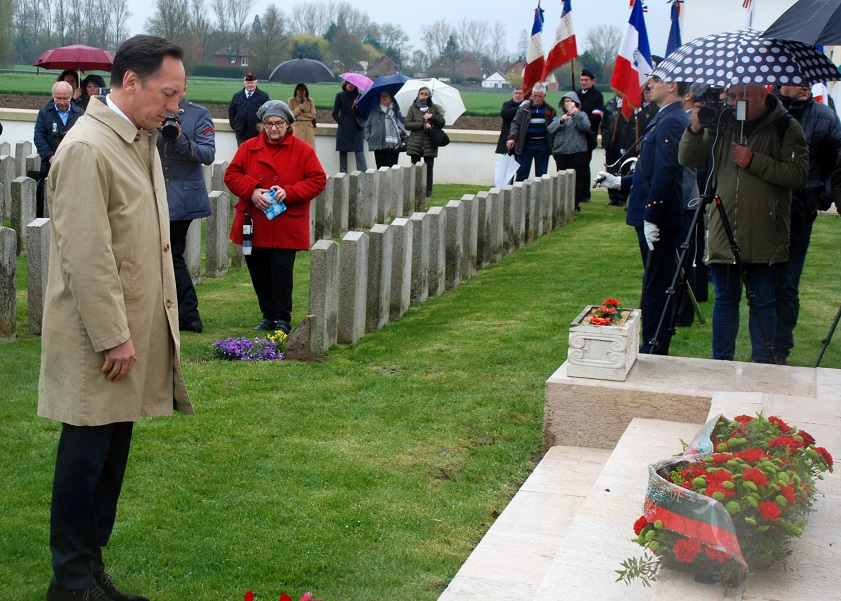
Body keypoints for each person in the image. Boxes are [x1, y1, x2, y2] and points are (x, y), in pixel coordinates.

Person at [39, 35, 194, 601]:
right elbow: (87, 255)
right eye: (168, 92)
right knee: (83, 465)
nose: (174, 104)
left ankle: (89, 574)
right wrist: (113, 338)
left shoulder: (139, 140)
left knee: (108, 467)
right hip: (99, 344)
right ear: (131, 82)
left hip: (128, 339)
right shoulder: (88, 147)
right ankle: (71, 583)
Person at [679, 84, 808, 363]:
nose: (737, 101)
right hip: (724, 226)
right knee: (725, 300)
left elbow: (798, 174)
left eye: (744, 96)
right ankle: (721, 363)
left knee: (762, 301)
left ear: (763, 94)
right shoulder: (722, 123)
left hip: (765, 228)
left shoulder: (786, 126)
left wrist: (754, 161)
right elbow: (689, 159)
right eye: (733, 96)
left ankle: (762, 364)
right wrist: (696, 129)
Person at [596, 77, 690, 355]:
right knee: (654, 280)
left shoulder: (672, 120)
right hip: (651, 209)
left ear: (672, 86)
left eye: (657, 81)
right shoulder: (664, 116)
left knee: (657, 283)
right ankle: (652, 340)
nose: (648, 86)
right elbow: (649, 169)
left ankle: (655, 344)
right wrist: (620, 182)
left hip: (658, 216)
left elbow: (666, 172)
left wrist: (652, 214)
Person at [225, 101, 327, 334]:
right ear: (262, 125)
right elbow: (231, 175)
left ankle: (283, 317)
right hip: (256, 219)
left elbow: (318, 180)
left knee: (281, 270)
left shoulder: (302, 150)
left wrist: (289, 192)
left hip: (285, 221)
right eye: (268, 124)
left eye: (279, 123)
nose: (273, 128)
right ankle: (268, 315)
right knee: (258, 270)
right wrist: (251, 191)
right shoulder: (249, 147)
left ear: (288, 124)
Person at [772, 84, 841, 364]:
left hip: (803, 207)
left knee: (788, 281)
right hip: (767, 206)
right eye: (794, 78)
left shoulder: (825, 116)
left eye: (805, 80)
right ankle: (763, 343)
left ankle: (780, 348)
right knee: (763, 281)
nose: (802, 84)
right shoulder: (768, 112)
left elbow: (835, 163)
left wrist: (821, 197)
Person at [157, 83, 216, 334]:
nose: (172, 96)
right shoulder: (153, 111)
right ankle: (177, 311)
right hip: (157, 194)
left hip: (183, 198)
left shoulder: (197, 114)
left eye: (176, 90)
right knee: (166, 254)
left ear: (185, 88)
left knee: (172, 252)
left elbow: (208, 153)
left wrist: (180, 138)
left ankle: (189, 313)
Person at [32, 81, 83, 217]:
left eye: (65, 98)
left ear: (71, 97)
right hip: (50, 164)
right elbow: (39, 137)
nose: (61, 102)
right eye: (58, 98)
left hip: (73, 164)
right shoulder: (44, 113)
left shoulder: (80, 114)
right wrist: (50, 156)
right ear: (53, 97)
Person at [547, 91, 590, 212]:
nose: (569, 103)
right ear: (563, 104)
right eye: (567, 101)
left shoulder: (582, 115)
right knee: (562, 179)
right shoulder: (558, 117)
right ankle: (561, 202)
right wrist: (562, 120)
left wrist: (576, 115)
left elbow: (585, 126)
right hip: (561, 152)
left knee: (576, 179)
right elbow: (551, 129)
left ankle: (575, 204)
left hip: (578, 151)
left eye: (571, 101)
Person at [506, 82, 556, 181]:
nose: (537, 98)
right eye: (535, 96)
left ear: (544, 96)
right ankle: (519, 195)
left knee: (541, 176)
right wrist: (512, 138)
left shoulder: (550, 110)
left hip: (542, 145)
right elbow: (516, 123)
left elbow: (554, 127)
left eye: (539, 96)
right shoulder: (524, 109)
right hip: (526, 145)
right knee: (522, 174)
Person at [404, 86, 446, 197]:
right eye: (421, 93)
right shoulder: (413, 108)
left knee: (429, 169)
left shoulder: (434, 108)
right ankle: (414, 191)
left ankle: (428, 192)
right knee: (414, 169)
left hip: (429, 143)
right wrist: (422, 124)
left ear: (429, 96)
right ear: (418, 95)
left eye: (426, 94)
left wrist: (432, 117)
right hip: (416, 143)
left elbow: (442, 123)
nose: (423, 95)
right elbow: (407, 124)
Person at [575, 69, 605, 202]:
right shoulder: (576, 95)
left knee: (584, 164)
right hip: (574, 135)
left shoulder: (597, 96)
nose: (583, 83)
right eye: (582, 80)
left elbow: (596, 117)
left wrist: (582, 120)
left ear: (592, 81)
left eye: (586, 80)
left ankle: (584, 194)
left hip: (588, 135)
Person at [365, 89, 407, 169]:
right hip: (378, 144)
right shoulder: (374, 111)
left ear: (391, 98)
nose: (384, 98)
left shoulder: (397, 110)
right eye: (382, 96)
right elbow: (367, 126)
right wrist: (369, 137)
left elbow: (405, 123)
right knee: (380, 170)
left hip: (393, 145)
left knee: (392, 170)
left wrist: (402, 131)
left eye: (386, 96)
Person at [332, 80, 367, 173]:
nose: (351, 85)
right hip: (344, 129)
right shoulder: (339, 96)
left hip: (356, 128)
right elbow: (334, 113)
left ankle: (364, 176)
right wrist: (342, 122)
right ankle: (343, 178)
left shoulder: (359, 96)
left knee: (360, 154)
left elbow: (363, 114)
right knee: (343, 153)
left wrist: (356, 106)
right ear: (345, 84)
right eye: (348, 83)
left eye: (353, 84)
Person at [228, 72, 269, 146]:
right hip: (241, 131)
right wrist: (235, 125)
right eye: (248, 83)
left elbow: (268, 112)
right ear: (244, 83)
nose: (250, 85)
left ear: (256, 83)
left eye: (252, 83)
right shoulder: (237, 96)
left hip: (257, 132)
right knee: (242, 154)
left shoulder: (263, 96)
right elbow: (232, 111)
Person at [496, 86, 524, 154]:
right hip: (507, 138)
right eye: (516, 93)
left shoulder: (527, 106)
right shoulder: (507, 105)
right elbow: (505, 115)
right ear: (512, 95)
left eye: (520, 93)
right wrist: (521, 107)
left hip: (521, 140)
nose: (518, 95)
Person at [288, 83, 317, 149]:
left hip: (308, 128)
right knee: (296, 148)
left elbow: (313, 115)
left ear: (306, 91)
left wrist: (299, 116)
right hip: (297, 128)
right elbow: (291, 115)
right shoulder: (291, 100)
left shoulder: (310, 101)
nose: (301, 92)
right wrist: (299, 108)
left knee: (309, 148)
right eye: (299, 90)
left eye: (303, 90)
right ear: (296, 91)